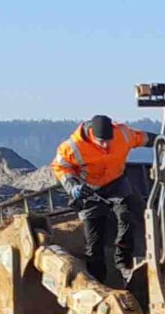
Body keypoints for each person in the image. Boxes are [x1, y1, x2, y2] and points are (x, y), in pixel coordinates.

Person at [51, 115, 157, 286]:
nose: (106, 145)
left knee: (126, 216)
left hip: (117, 183)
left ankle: (124, 263)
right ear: (91, 134)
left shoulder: (122, 134)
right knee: (94, 240)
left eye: (109, 140)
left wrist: (164, 141)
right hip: (89, 190)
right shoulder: (73, 146)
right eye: (101, 141)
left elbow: (143, 138)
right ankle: (97, 282)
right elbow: (60, 166)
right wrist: (72, 186)